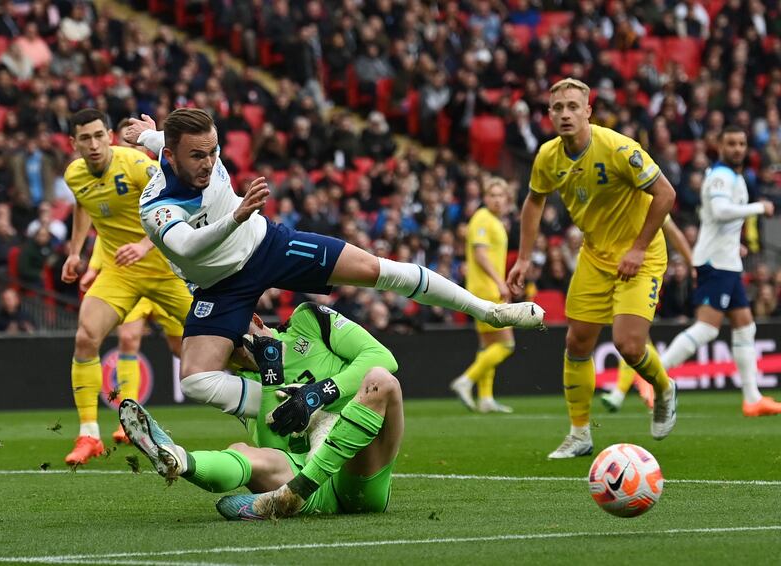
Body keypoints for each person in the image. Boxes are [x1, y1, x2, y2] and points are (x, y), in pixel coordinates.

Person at [123, 109, 544, 425]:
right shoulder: (156, 205)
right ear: (173, 158)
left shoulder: (181, 147)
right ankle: (292, 407)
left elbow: (160, 138)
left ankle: (488, 310)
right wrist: (235, 215)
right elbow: (188, 245)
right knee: (195, 379)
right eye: (197, 155)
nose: (209, 163)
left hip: (265, 244)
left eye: (214, 151)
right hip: (218, 285)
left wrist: (146, 134)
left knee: (376, 269)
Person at [506, 78, 678, 459]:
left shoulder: (618, 148)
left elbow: (666, 194)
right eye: (558, 108)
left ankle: (664, 389)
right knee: (576, 342)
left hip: (642, 254)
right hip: (595, 256)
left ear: (588, 111)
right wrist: (523, 257)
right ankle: (580, 433)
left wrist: (636, 248)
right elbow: (534, 203)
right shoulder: (548, 157)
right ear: (549, 115)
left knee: (628, 345)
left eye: (572, 106)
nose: (565, 114)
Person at [119, 302, 402, 520]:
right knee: (242, 449)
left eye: (240, 342)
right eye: (230, 353)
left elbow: (383, 357)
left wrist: (319, 392)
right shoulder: (244, 384)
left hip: (359, 478)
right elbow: (275, 450)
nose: (241, 354)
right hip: (305, 493)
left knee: (382, 380)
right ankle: (179, 460)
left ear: (256, 321)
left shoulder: (310, 320)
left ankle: (296, 490)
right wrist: (271, 380)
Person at [60, 109, 192, 466]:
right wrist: (75, 253)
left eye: (99, 135)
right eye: (85, 138)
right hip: (122, 272)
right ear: (74, 144)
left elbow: (177, 200)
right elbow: (83, 205)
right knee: (86, 338)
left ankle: (267, 398)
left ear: (110, 137)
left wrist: (146, 245)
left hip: (166, 266)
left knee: (210, 343)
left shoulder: (134, 163)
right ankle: (89, 434)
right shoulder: (75, 175)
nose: (93, 144)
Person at [659, 126, 781, 417]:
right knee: (706, 329)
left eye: (741, 143)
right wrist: (759, 207)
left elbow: (721, 222)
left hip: (728, 262)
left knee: (745, 327)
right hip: (715, 263)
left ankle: (752, 399)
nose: (738, 148)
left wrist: (735, 244)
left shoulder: (735, 176)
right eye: (731, 143)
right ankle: (654, 375)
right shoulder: (720, 177)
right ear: (720, 145)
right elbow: (721, 211)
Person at [79, 237, 184, 443]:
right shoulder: (120, 207)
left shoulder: (154, 205)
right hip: (131, 278)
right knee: (127, 338)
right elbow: (105, 233)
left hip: (166, 278)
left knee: (181, 349)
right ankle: (129, 420)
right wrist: (93, 267)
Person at [600, 217, 695, 412]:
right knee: (635, 343)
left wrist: (692, 265)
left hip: (640, 275)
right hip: (615, 272)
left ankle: (628, 392)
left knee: (634, 340)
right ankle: (648, 390)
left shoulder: (649, 198)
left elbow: (672, 230)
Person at [450, 178, 515, 413]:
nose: (497, 199)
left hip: (482, 287)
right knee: (507, 344)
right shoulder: (482, 218)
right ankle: (466, 380)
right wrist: (500, 282)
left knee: (488, 345)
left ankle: (486, 398)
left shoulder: (492, 220)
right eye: (493, 195)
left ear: (507, 199)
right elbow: (480, 254)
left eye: (501, 195)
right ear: (485, 198)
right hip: (487, 288)